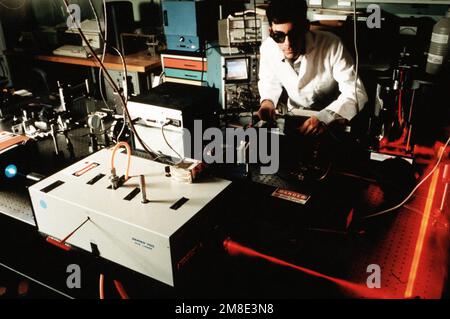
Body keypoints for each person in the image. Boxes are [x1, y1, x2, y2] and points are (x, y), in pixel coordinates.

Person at [257, 0, 368, 136]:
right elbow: (269, 82)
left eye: (294, 34)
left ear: (305, 27)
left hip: (332, 117)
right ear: (270, 32)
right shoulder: (268, 48)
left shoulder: (332, 44)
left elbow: (355, 92)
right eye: (279, 36)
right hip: (295, 115)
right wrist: (267, 102)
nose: (288, 43)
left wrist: (326, 117)